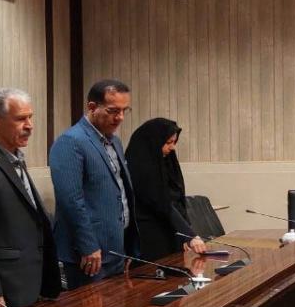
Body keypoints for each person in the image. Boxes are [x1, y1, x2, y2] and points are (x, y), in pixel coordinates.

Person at [0, 89, 60, 307]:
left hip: (34, 280)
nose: (30, 126)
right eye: (20, 119)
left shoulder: (16, 158)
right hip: (7, 287)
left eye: (30, 117)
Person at [49, 79, 140, 289]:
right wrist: (88, 245)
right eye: (113, 111)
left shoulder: (114, 141)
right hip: (89, 254)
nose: (120, 117)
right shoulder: (71, 142)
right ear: (91, 107)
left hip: (116, 248)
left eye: (124, 110)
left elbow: (120, 191)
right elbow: (70, 200)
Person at [125, 118, 206, 261]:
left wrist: (185, 234)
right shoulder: (141, 167)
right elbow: (162, 203)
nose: (172, 147)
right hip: (150, 237)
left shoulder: (167, 162)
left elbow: (177, 200)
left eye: (174, 142)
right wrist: (189, 235)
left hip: (172, 232)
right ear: (154, 142)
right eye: (168, 142)